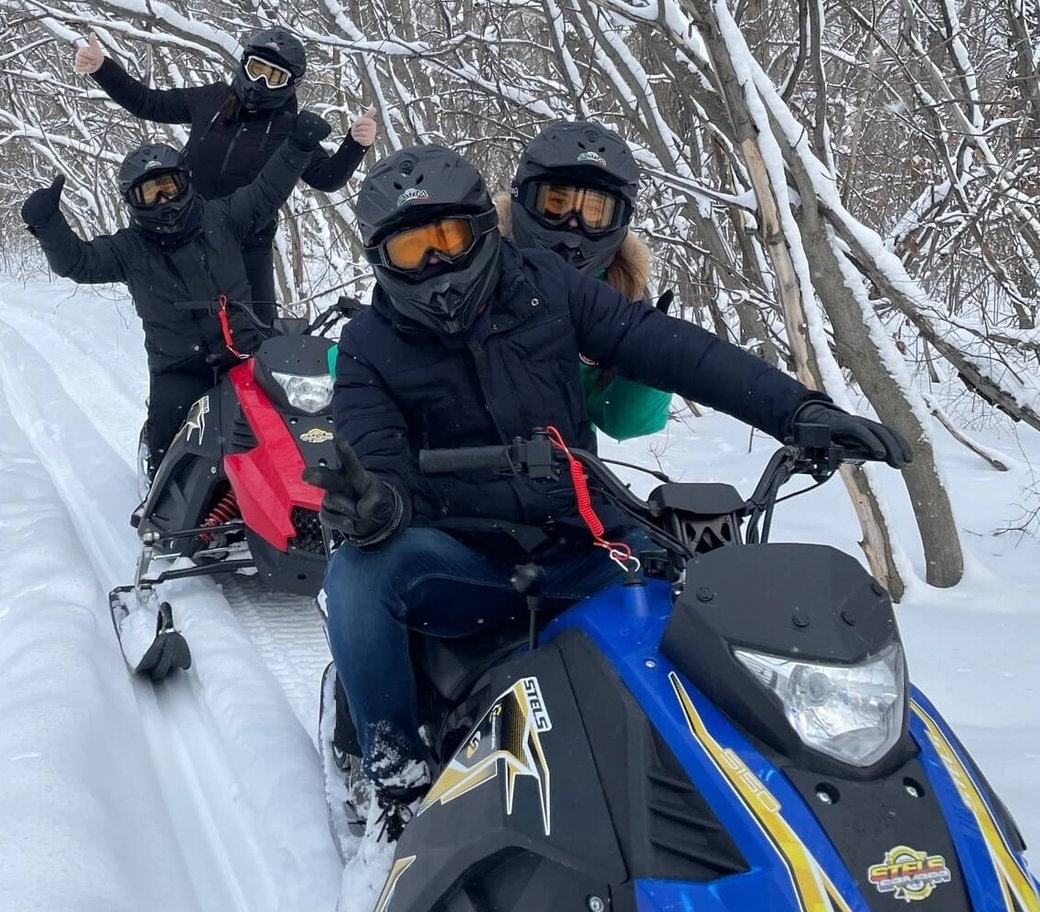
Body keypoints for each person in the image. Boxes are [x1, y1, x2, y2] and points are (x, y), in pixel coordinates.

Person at [304, 144, 911, 838]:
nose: (438, 264)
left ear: (482, 227)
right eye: (415, 249)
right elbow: (373, 447)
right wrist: (376, 502)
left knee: (709, 580)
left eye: (449, 238)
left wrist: (796, 410)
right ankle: (398, 777)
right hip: (463, 559)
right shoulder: (367, 344)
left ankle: (760, 766)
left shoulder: (545, 287)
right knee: (357, 572)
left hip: (581, 534)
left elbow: (664, 344)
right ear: (383, 260)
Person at [20, 111, 332, 478]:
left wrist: (298, 146)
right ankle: (159, 498)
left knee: (301, 422)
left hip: (247, 351)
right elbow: (79, 263)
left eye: (168, 186)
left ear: (184, 182)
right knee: (169, 451)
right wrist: (49, 226)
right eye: (150, 193)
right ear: (132, 201)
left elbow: (266, 192)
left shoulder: (222, 218)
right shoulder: (128, 248)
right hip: (180, 367)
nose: (163, 200)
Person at [74, 26, 378, 321]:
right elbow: (149, 103)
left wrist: (355, 144)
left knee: (260, 331)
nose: (260, 82)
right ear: (243, 64)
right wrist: (102, 68)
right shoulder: (213, 99)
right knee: (182, 326)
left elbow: (326, 178)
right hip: (185, 230)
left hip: (248, 242)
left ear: (290, 84)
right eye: (256, 68)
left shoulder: (291, 129)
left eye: (274, 76)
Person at [497, 118, 671, 441]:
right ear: (525, 196)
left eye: (594, 213)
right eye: (556, 204)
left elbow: (621, 419)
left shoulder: (616, 290)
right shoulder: (479, 270)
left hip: (567, 470)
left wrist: (654, 360)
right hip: (459, 463)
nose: (573, 226)